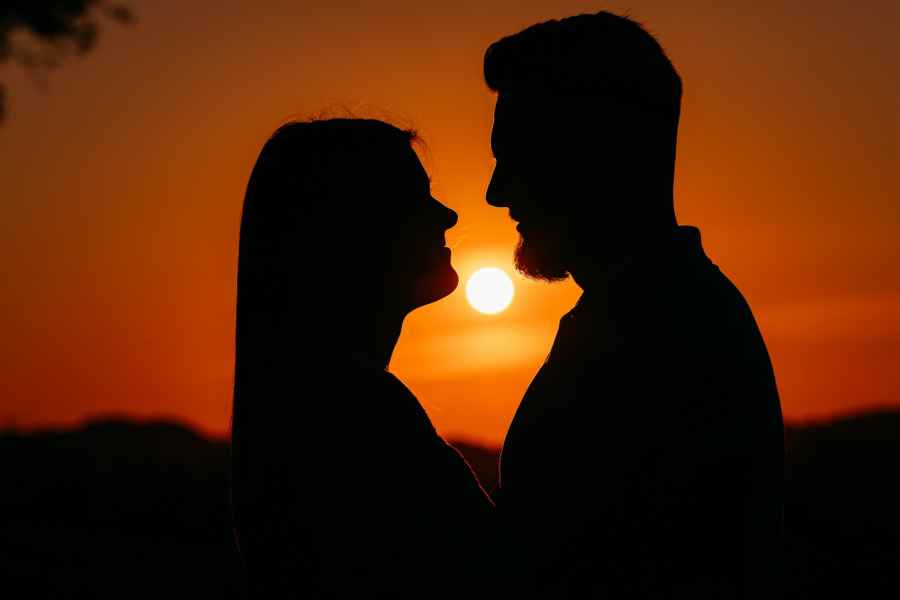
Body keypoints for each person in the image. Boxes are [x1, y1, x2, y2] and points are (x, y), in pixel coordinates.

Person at [484, 12, 785, 598]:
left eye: (518, 157)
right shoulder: (652, 313)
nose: (497, 192)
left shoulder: (666, 336)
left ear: (598, 153)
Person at [230, 118, 494, 598]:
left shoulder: (309, 403)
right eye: (416, 199)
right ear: (353, 229)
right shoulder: (355, 413)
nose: (448, 216)